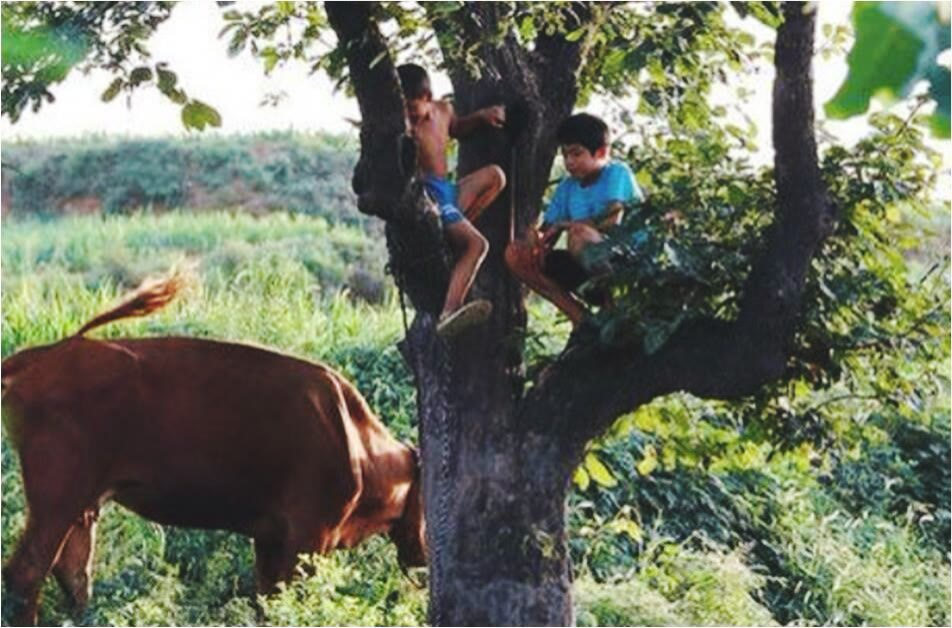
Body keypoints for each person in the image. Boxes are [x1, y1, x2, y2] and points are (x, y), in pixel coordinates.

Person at [397, 63, 507, 337]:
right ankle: (449, 312)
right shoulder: (403, 131)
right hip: (430, 195)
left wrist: (482, 116)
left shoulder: (444, 110)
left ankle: (455, 230)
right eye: (402, 108)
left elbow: (457, 127)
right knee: (478, 245)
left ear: (427, 98)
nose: (408, 115)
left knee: (496, 176)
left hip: (448, 191)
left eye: (411, 107)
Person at [505, 112, 642, 325]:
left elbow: (612, 221)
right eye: (565, 154)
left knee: (579, 234)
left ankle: (614, 309)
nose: (569, 162)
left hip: (628, 268)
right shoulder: (567, 187)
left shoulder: (617, 173)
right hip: (585, 269)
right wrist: (535, 241)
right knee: (515, 254)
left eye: (577, 154)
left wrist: (567, 225)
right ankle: (581, 320)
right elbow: (547, 231)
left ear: (601, 152)